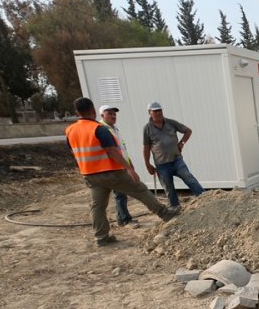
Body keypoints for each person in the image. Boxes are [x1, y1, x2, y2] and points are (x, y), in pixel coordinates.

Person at [65, 97, 180, 246]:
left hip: (90, 175)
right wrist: (129, 169)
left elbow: (75, 151)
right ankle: (165, 213)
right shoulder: (99, 129)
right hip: (111, 171)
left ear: (77, 112)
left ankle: (101, 237)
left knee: (97, 206)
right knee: (141, 190)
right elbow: (112, 151)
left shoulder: (70, 130)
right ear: (93, 110)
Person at [142, 101, 204, 208]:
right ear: (149, 113)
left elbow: (188, 131)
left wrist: (182, 143)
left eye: (159, 110)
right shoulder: (147, 128)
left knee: (188, 178)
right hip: (162, 165)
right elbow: (146, 147)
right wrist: (147, 164)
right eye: (155, 111)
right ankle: (175, 208)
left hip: (176, 160)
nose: (158, 113)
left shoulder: (171, 123)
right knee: (168, 188)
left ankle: (204, 198)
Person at [98, 105, 139, 228]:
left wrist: (130, 165)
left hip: (122, 166)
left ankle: (120, 218)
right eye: (109, 113)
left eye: (114, 114)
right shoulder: (102, 129)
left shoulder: (114, 129)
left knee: (121, 194)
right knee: (120, 194)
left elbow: (122, 150)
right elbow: (112, 152)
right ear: (102, 115)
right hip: (114, 167)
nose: (113, 116)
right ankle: (126, 220)